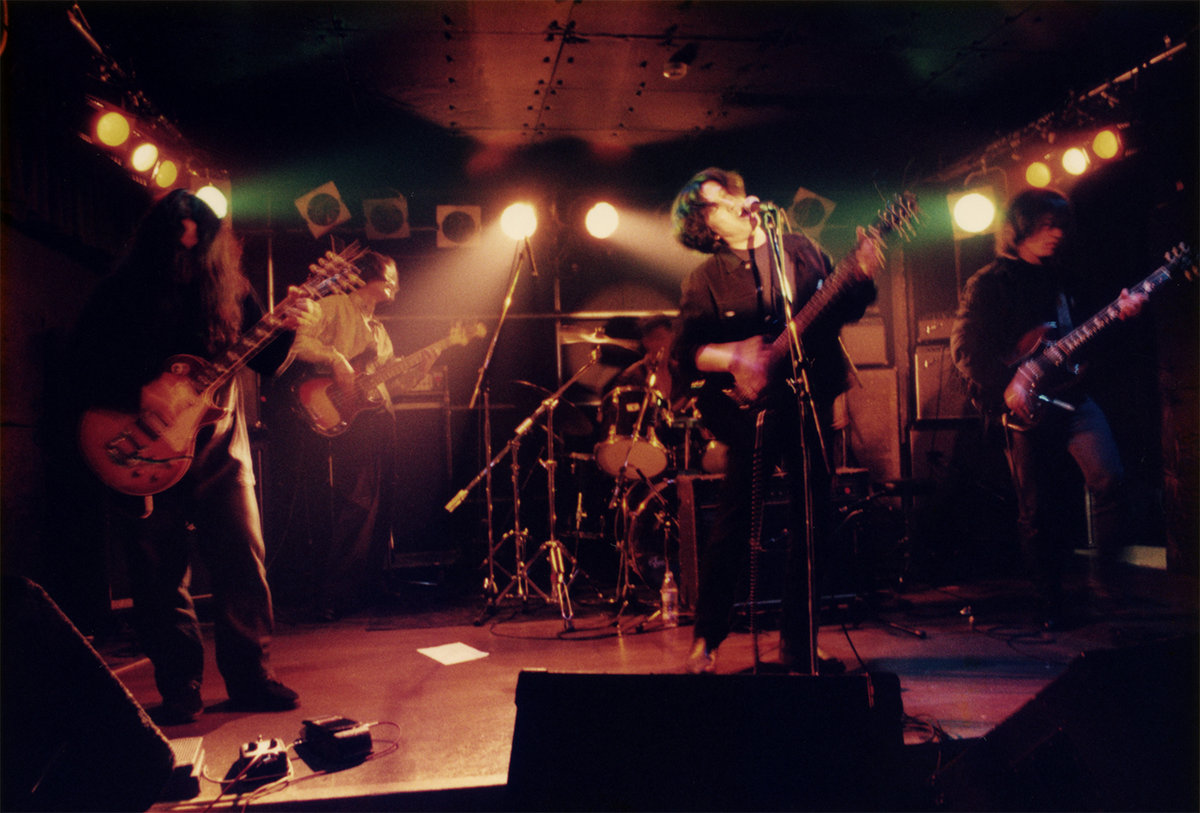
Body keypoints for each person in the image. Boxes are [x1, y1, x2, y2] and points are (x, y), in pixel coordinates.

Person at [71, 189, 315, 724]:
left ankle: (252, 679)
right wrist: (139, 390)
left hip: (221, 446)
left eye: (196, 238)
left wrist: (290, 326)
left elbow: (267, 361)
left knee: (243, 562)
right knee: (158, 573)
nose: (186, 247)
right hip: (145, 447)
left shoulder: (234, 290)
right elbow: (81, 363)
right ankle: (179, 687)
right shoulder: (119, 293)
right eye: (176, 236)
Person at [670, 168, 882, 674]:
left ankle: (799, 642)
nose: (734, 202)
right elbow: (684, 353)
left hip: (807, 399)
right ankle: (707, 640)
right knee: (735, 523)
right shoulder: (705, 278)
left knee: (814, 522)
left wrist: (862, 275)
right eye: (717, 202)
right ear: (705, 225)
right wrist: (735, 356)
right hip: (748, 411)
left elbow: (839, 310)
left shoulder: (800, 249)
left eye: (732, 192)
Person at [950, 188, 1146, 628]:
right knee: (1037, 509)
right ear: (1020, 228)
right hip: (1023, 405)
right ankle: (1049, 601)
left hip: (1073, 396)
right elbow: (965, 349)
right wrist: (1009, 383)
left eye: (1059, 226)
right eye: (1044, 226)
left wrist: (1123, 316)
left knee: (1110, 479)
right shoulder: (990, 283)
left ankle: (1109, 586)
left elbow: (1090, 338)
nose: (1055, 234)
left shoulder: (1067, 279)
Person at [280, 249, 402, 621]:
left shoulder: (378, 329)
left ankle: (367, 585)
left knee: (381, 502)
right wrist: (335, 358)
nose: (395, 285)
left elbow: (386, 379)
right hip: (343, 417)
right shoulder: (334, 306)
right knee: (356, 502)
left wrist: (416, 369)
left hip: (377, 418)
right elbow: (297, 344)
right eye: (390, 276)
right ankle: (334, 592)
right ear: (370, 276)